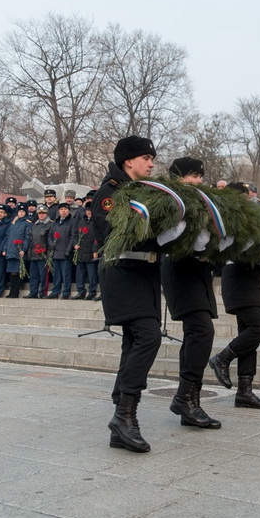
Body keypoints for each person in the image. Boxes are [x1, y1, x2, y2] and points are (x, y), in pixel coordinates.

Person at [93, 135, 161, 453]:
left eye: (152, 158)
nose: (151, 163)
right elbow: (113, 233)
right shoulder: (111, 192)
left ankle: (121, 419)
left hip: (145, 275)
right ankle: (123, 416)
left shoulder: (144, 192)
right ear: (128, 161)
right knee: (148, 337)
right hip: (122, 273)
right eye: (146, 158)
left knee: (134, 341)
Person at [161, 157, 222, 430]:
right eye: (193, 176)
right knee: (201, 330)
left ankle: (188, 399)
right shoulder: (171, 199)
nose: (199, 181)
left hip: (199, 270)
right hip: (178, 267)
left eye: (200, 176)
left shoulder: (200, 200)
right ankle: (185, 397)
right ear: (178, 177)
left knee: (198, 332)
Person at [208, 181, 260, 410]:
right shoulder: (228, 217)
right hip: (237, 275)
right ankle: (222, 358)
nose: (249, 201)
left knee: (249, 338)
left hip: (252, 277)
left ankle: (245, 391)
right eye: (245, 197)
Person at [47, 202, 76, 299]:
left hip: (65, 252)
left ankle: (66, 292)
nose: (63, 211)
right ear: (59, 211)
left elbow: (73, 237)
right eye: (61, 209)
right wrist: (51, 245)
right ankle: (55, 291)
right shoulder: (55, 222)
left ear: (68, 211)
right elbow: (50, 235)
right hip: (56, 252)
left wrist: (68, 249)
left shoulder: (72, 221)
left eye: (65, 209)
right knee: (56, 274)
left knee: (66, 274)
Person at [72, 202, 100, 300]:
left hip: (91, 251)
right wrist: (75, 244)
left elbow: (97, 237)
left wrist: (95, 250)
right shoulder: (80, 221)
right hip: (81, 250)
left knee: (92, 274)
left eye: (90, 210)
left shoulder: (97, 221)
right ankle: (81, 291)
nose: (89, 212)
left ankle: (92, 291)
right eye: (87, 210)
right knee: (80, 273)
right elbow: (75, 234)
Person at [2, 205, 31, 298]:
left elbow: (27, 238)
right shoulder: (13, 223)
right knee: (12, 272)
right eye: (19, 211)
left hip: (19, 251)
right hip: (11, 251)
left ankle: (15, 291)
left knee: (18, 272)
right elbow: (8, 237)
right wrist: (5, 249)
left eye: (23, 211)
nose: (21, 213)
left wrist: (24, 249)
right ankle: (11, 291)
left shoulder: (27, 223)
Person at [25, 205, 52, 298]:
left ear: (46, 214)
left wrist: (48, 254)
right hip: (33, 254)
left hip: (43, 254)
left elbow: (50, 240)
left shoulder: (50, 224)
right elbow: (31, 239)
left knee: (43, 276)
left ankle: (42, 293)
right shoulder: (35, 225)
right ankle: (33, 292)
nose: (41, 215)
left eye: (43, 213)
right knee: (33, 275)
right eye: (39, 213)